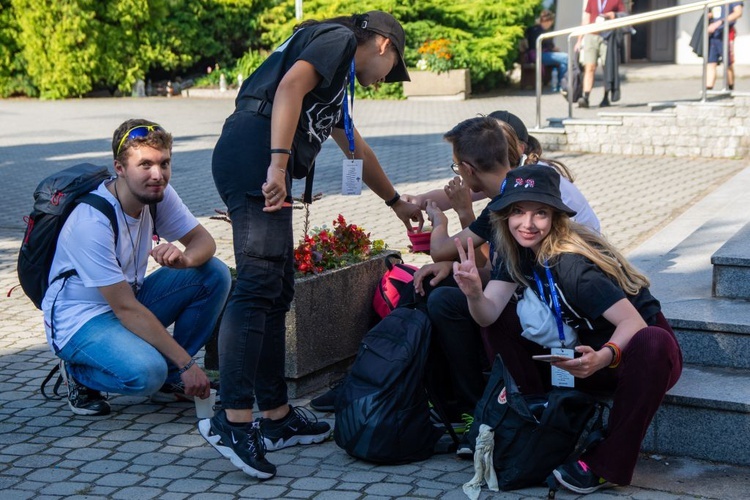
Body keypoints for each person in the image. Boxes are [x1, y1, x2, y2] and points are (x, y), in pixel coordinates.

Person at [205, 11, 422, 480]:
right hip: (255, 156)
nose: (387, 80)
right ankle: (233, 418)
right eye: (393, 68)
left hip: (261, 160)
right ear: (384, 44)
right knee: (259, 284)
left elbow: (353, 146)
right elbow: (288, 89)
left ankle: (277, 417)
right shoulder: (338, 40)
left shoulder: (339, 77)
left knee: (277, 289)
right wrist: (278, 167)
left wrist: (395, 203)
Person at [451, 164, 682, 494]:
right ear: (503, 215)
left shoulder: (570, 261)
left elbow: (634, 323)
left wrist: (604, 357)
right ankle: (534, 417)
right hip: (580, 351)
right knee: (500, 314)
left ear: (555, 218)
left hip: (632, 352)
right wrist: (474, 293)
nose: (527, 224)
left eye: (540, 213)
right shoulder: (512, 250)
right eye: (517, 211)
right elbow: (487, 317)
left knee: (653, 342)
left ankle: (606, 464)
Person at [413, 116, 600, 456]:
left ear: (467, 169)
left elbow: (456, 251)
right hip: (543, 293)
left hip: (565, 309)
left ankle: (490, 411)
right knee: (446, 293)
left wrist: (442, 222)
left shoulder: (518, 196)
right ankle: (474, 411)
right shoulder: (519, 184)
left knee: (457, 303)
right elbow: (503, 266)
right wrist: (456, 268)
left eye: (456, 166)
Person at [42, 119, 232, 417]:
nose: (158, 175)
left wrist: (185, 259)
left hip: (127, 301)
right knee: (146, 373)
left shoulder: (158, 195)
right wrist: (188, 363)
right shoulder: (91, 222)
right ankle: (78, 373)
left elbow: (203, 241)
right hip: (82, 320)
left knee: (213, 273)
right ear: (119, 168)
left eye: (164, 163)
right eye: (145, 165)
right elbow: (126, 310)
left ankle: (173, 378)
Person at [575, 0, 626, 108]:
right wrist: (579, 40)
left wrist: (614, 15)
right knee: (589, 67)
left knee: (606, 67)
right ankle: (586, 97)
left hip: (607, 36)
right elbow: (586, 18)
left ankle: (605, 97)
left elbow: (624, 15)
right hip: (591, 35)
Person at [525, 10, 568, 94]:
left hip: (538, 54)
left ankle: (562, 86)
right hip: (539, 55)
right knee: (566, 57)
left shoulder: (535, 29)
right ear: (548, 21)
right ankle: (561, 85)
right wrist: (554, 49)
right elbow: (548, 45)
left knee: (563, 63)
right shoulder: (539, 31)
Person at [706, 2, 744, 90]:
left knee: (728, 63)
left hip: (726, 33)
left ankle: (730, 88)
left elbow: (738, 12)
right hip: (714, 35)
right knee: (711, 62)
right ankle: (708, 90)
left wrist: (720, 21)